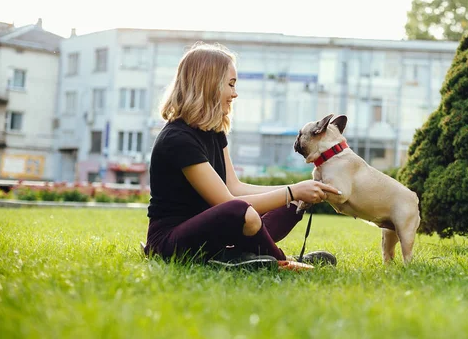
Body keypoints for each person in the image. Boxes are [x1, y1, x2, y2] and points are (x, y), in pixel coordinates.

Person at [144, 42, 339, 270]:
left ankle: (240, 255)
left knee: (291, 204)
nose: (235, 93)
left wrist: (297, 191)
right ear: (209, 85)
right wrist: (291, 191)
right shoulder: (177, 139)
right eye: (231, 84)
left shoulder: (214, 131)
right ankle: (281, 261)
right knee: (240, 211)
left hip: (211, 233)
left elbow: (234, 187)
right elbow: (227, 202)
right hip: (171, 242)